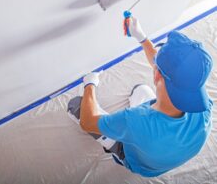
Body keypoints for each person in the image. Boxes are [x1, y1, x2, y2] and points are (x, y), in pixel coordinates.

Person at [67, 16, 213, 177]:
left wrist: (90, 83)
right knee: (140, 90)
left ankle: (114, 146)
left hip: (139, 162)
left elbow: (87, 123)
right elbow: (166, 71)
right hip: (163, 154)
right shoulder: (201, 104)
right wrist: (142, 38)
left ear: (157, 75)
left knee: (77, 106)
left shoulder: (135, 120)